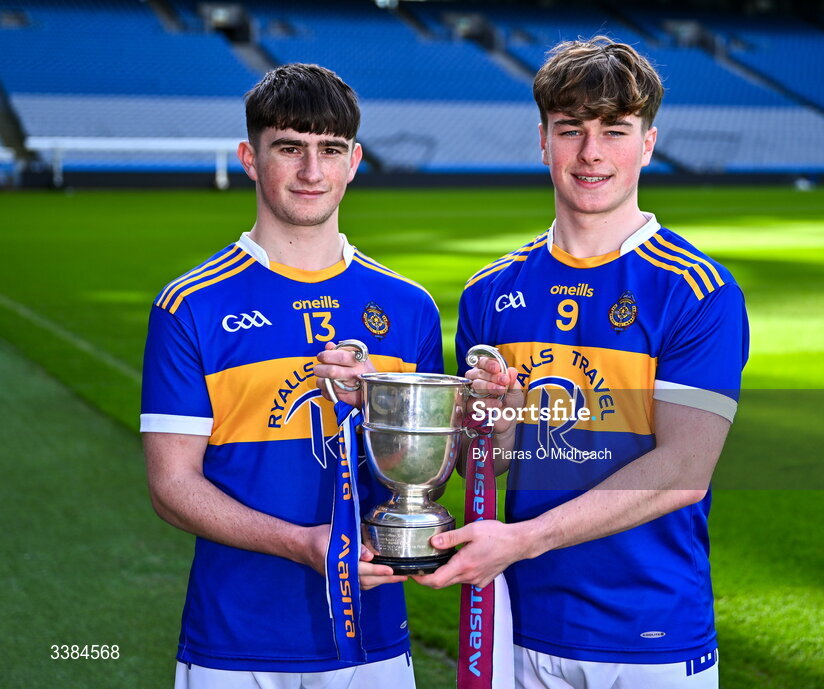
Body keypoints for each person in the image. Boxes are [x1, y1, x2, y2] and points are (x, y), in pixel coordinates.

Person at [420, 37, 749, 688]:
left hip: (650, 635)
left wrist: (523, 540)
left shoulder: (696, 290)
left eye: (615, 131)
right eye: (571, 130)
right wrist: (499, 426)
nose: (591, 153)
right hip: (520, 625)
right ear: (543, 140)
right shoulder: (490, 291)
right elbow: (480, 463)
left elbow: (684, 471)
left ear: (648, 144)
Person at [141, 63, 441, 688]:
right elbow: (171, 486)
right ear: (250, 158)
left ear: (354, 161)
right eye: (289, 148)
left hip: (374, 642)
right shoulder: (191, 305)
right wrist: (305, 545)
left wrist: (494, 411)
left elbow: (452, 467)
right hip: (233, 641)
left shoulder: (409, 307)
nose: (311, 172)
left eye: (329, 150)